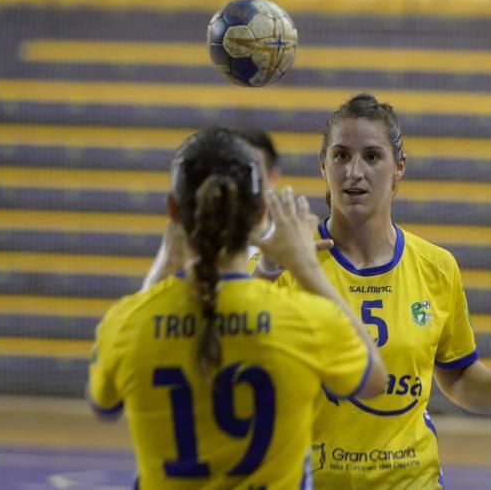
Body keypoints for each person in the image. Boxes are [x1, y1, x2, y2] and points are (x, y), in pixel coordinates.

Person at [87, 126, 387, 489]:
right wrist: (306, 269)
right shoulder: (304, 319)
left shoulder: (127, 322)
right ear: (261, 212)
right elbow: (375, 380)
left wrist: (162, 268)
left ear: (172, 210)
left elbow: (104, 404)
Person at [270, 93, 491, 488]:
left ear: (399, 167)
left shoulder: (436, 267)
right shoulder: (285, 265)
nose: (354, 172)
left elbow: (458, 375)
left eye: (372, 156)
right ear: (322, 165)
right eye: (342, 156)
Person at [140, 127, 298, 288]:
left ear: (273, 178)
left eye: (245, 175)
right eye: (230, 173)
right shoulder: (185, 242)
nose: (234, 185)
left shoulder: (290, 247)